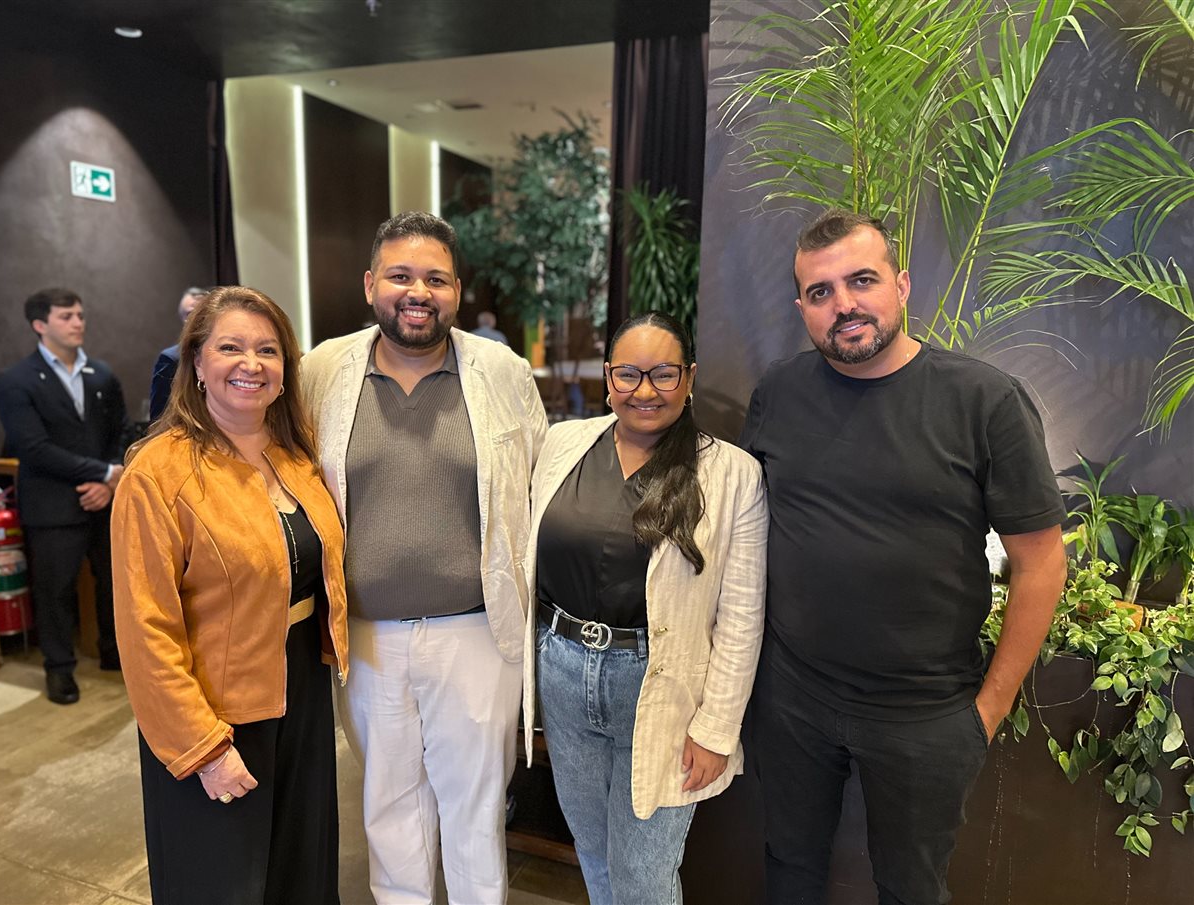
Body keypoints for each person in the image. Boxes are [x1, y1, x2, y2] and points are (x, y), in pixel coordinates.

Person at [739, 209, 1068, 904]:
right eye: (821, 291)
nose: (844, 304)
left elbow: (1041, 562)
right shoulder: (778, 393)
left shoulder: (984, 401)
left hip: (926, 711)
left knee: (912, 890)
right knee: (788, 869)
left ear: (902, 285)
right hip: (794, 698)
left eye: (862, 280)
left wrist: (988, 710)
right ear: (802, 308)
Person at [301, 211, 547, 905]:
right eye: (401, 276)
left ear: (457, 291)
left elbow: (537, 482)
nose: (418, 292)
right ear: (370, 284)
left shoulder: (501, 371)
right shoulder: (322, 370)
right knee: (389, 809)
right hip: (367, 638)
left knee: (475, 810)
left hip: (476, 633)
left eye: (436, 279)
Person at [111, 286, 349, 905]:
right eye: (230, 348)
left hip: (300, 686)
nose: (252, 364)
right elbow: (145, 629)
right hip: (216, 708)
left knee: (301, 869)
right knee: (220, 881)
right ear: (196, 361)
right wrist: (203, 748)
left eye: (268, 350)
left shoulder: (296, 454)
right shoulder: (156, 472)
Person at [523, 312, 768, 905]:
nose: (645, 390)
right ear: (610, 378)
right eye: (629, 374)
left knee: (643, 875)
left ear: (689, 378)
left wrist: (716, 729)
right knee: (592, 849)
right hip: (563, 670)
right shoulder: (563, 444)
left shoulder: (732, 474)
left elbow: (741, 616)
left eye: (663, 374)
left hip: (659, 687)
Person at [0, 288, 129, 704]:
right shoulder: (15, 380)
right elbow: (33, 447)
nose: (78, 323)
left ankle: (114, 654)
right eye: (67, 316)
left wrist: (109, 481)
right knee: (55, 592)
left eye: (80, 315)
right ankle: (59, 669)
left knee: (115, 584)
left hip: (105, 501)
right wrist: (102, 473)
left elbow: (121, 432)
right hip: (52, 505)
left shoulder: (101, 374)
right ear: (40, 325)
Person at [149, 286, 208, 421]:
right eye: (190, 314)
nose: (196, 318)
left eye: (202, 312)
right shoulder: (171, 359)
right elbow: (159, 418)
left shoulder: (228, 354)